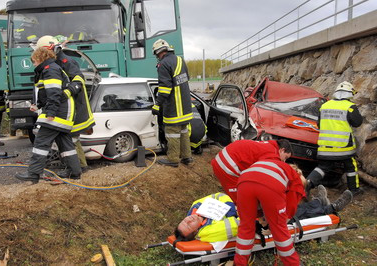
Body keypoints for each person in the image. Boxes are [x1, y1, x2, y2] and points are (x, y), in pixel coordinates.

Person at [174, 186, 353, 243]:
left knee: (282, 202)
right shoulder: (208, 231)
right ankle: (331, 209)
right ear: (196, 232)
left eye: (185, 220)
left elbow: (221, 196)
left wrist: (230, 206)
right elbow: (238, 224)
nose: (189, 218)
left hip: (245, 208)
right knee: (292, 215)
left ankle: (318, 202)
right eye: (189, 224)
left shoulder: (195, 210)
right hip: (256, 221)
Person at [15, 47, 81, 183]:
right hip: (64, 111)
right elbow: (47, 93)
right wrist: (38, 105)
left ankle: (33, 174)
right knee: (65, 143)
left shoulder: (50, 70)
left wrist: (50, 112)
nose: (33, 64)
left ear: (40, 58)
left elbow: (54, 93)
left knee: (41, 142)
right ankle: (74, 173)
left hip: (58, 112)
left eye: (34, 61)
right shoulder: (51, 69)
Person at [34, 35, 96, 176]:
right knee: (67, 138)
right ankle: (74, 168)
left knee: (71, 138)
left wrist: (66, 93)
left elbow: (78, 79)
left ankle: (79, 167)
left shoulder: (66, 61)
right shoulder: (54, 62)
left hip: (74, 105)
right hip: (65, 105)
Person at [234, 159, 306, 265]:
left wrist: (263, 217)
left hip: (243, 181)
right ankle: (293, 263)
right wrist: (273, 226)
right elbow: (288, 212)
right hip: (268, 185)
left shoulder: (277, 166)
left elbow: (259, 205)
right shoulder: (297, 182)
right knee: (280, 231)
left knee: (245, 227)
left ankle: (239, 263)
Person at [306, 81, 363, 196]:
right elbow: (358, 122)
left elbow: (319, 125)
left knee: (323, 167)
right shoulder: (350, 107)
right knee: (351, 166)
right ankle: (354, 190)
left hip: (325, 147)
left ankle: (307, 184)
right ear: (349, 94)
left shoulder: (324, 106)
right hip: (344, 147)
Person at [151, 39, 193, 167]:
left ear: (159, 52)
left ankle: (173, 159)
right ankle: (187, 157)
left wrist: (157, 105)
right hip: (185, 107)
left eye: (156, 55)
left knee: (172, 133)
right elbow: (187, 78)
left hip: (174, 107)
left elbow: (165, 88)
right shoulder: (180, 60)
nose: (157, 57)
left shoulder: (163, 64)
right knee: (184, 132)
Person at [211, 139, 292, 203]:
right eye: (285, 158)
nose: (284, 161)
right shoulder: (273, 155)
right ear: (282, 150)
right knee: (240, 201)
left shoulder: (268, 145)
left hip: (222, 159)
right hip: (228, 165)